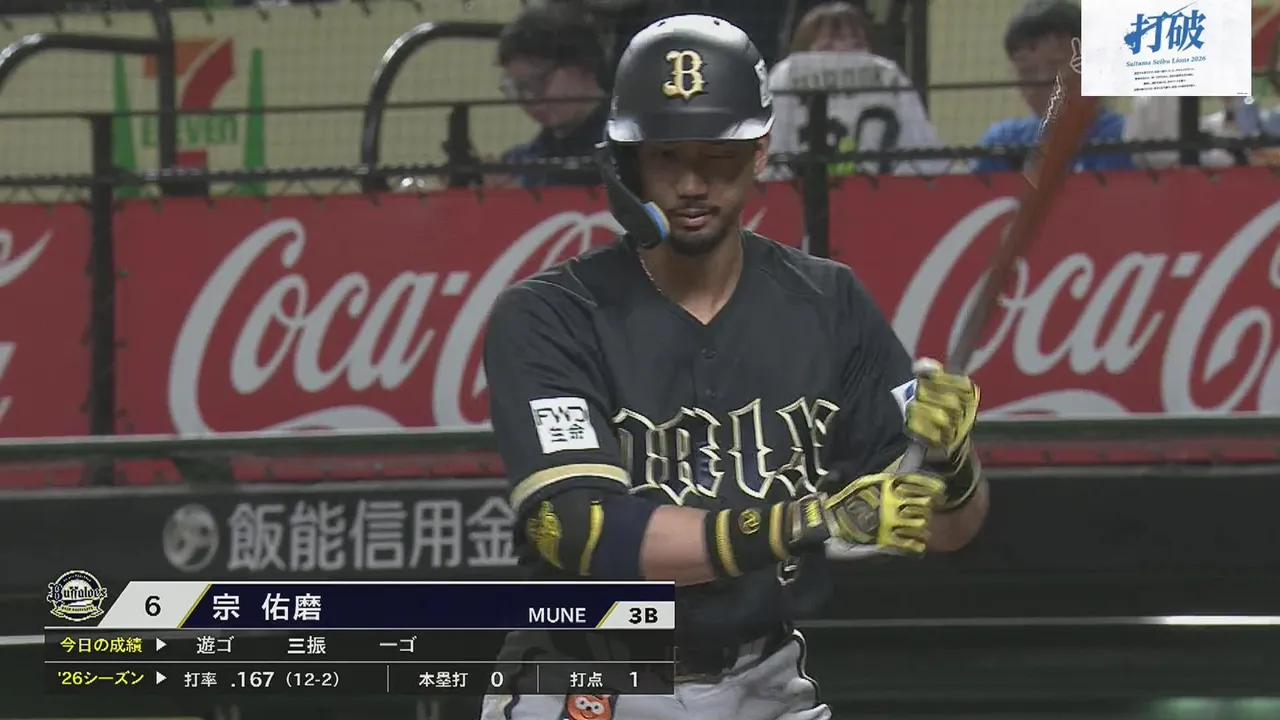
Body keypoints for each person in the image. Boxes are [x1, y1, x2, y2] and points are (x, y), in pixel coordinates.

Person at [480, 14, 989, 720]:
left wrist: (950, 461)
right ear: (627, 162)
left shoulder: (830, 301)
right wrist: (812, 519)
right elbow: (578, 529)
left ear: (760, 151)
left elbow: (945, 530)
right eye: (667, 156)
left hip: (764, 677)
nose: (692, 183)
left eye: (717, 155)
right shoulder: (549, 313)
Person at [766, 2, 949, 178]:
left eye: (857, 46)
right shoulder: (784, 77)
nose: (843, 53)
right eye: (827, 47)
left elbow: (920, 148)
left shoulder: (891, 76)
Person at [972, 0, 1133, 174]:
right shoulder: (1001, 145)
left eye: (1057, 65)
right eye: (1027, 71)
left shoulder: (1128, 137)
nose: (1043, 80)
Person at [490, 3, 611, 189]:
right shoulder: (519, 163)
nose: (529, 99)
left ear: (585, 65)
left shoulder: (632, 150)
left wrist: (523, 200)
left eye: (538, 82)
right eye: (517, 88)